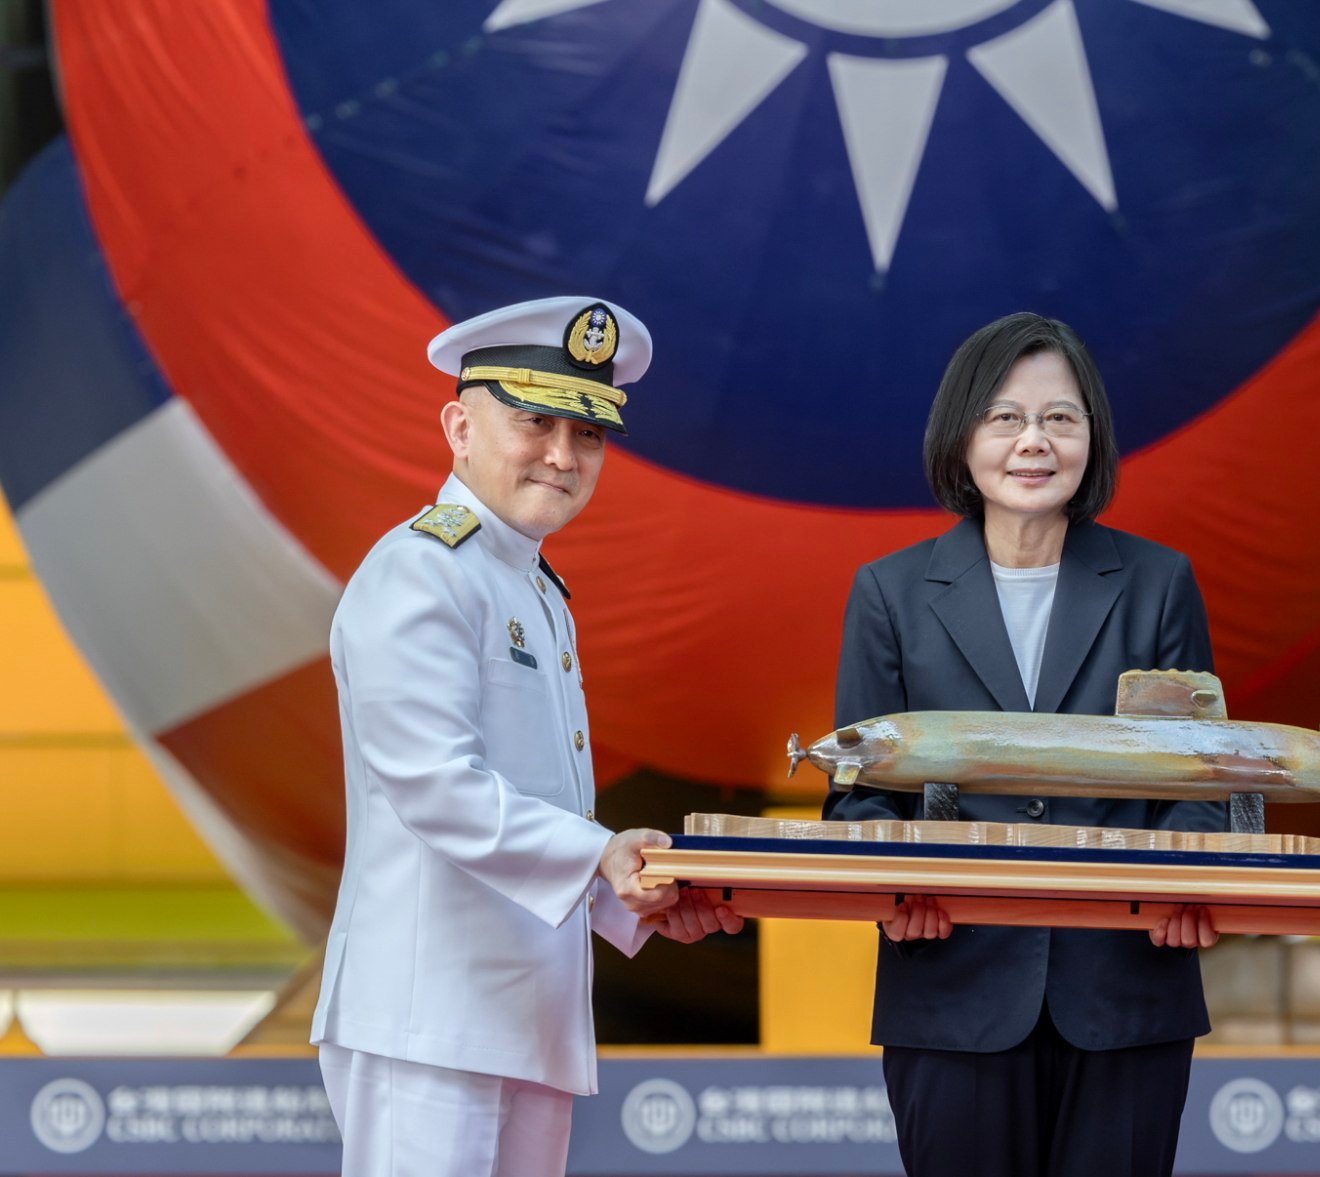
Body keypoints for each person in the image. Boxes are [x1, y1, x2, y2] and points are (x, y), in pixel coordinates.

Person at [309, 296, 741, 1176]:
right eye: (534, 421)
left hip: (521, 1020)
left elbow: (535, 809)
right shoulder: (422, 572)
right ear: (458, 425)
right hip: (428, 1019)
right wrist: (600, 854)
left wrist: (635, 896)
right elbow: (437, 786)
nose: (562, 455)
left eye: (588, 435)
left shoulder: (534, 590)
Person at [824, 311, 1222, 1177]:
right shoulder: (890, 594)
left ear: (1091, 438)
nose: (1032, 441)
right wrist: (900, 884)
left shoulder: (1159, 583)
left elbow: (1202, 777)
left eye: (1060, 417)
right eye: (1004, 416)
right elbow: (856, 791)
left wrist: (1185, 884)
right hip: (951, 984)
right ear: (961, 434)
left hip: (1127, 988)